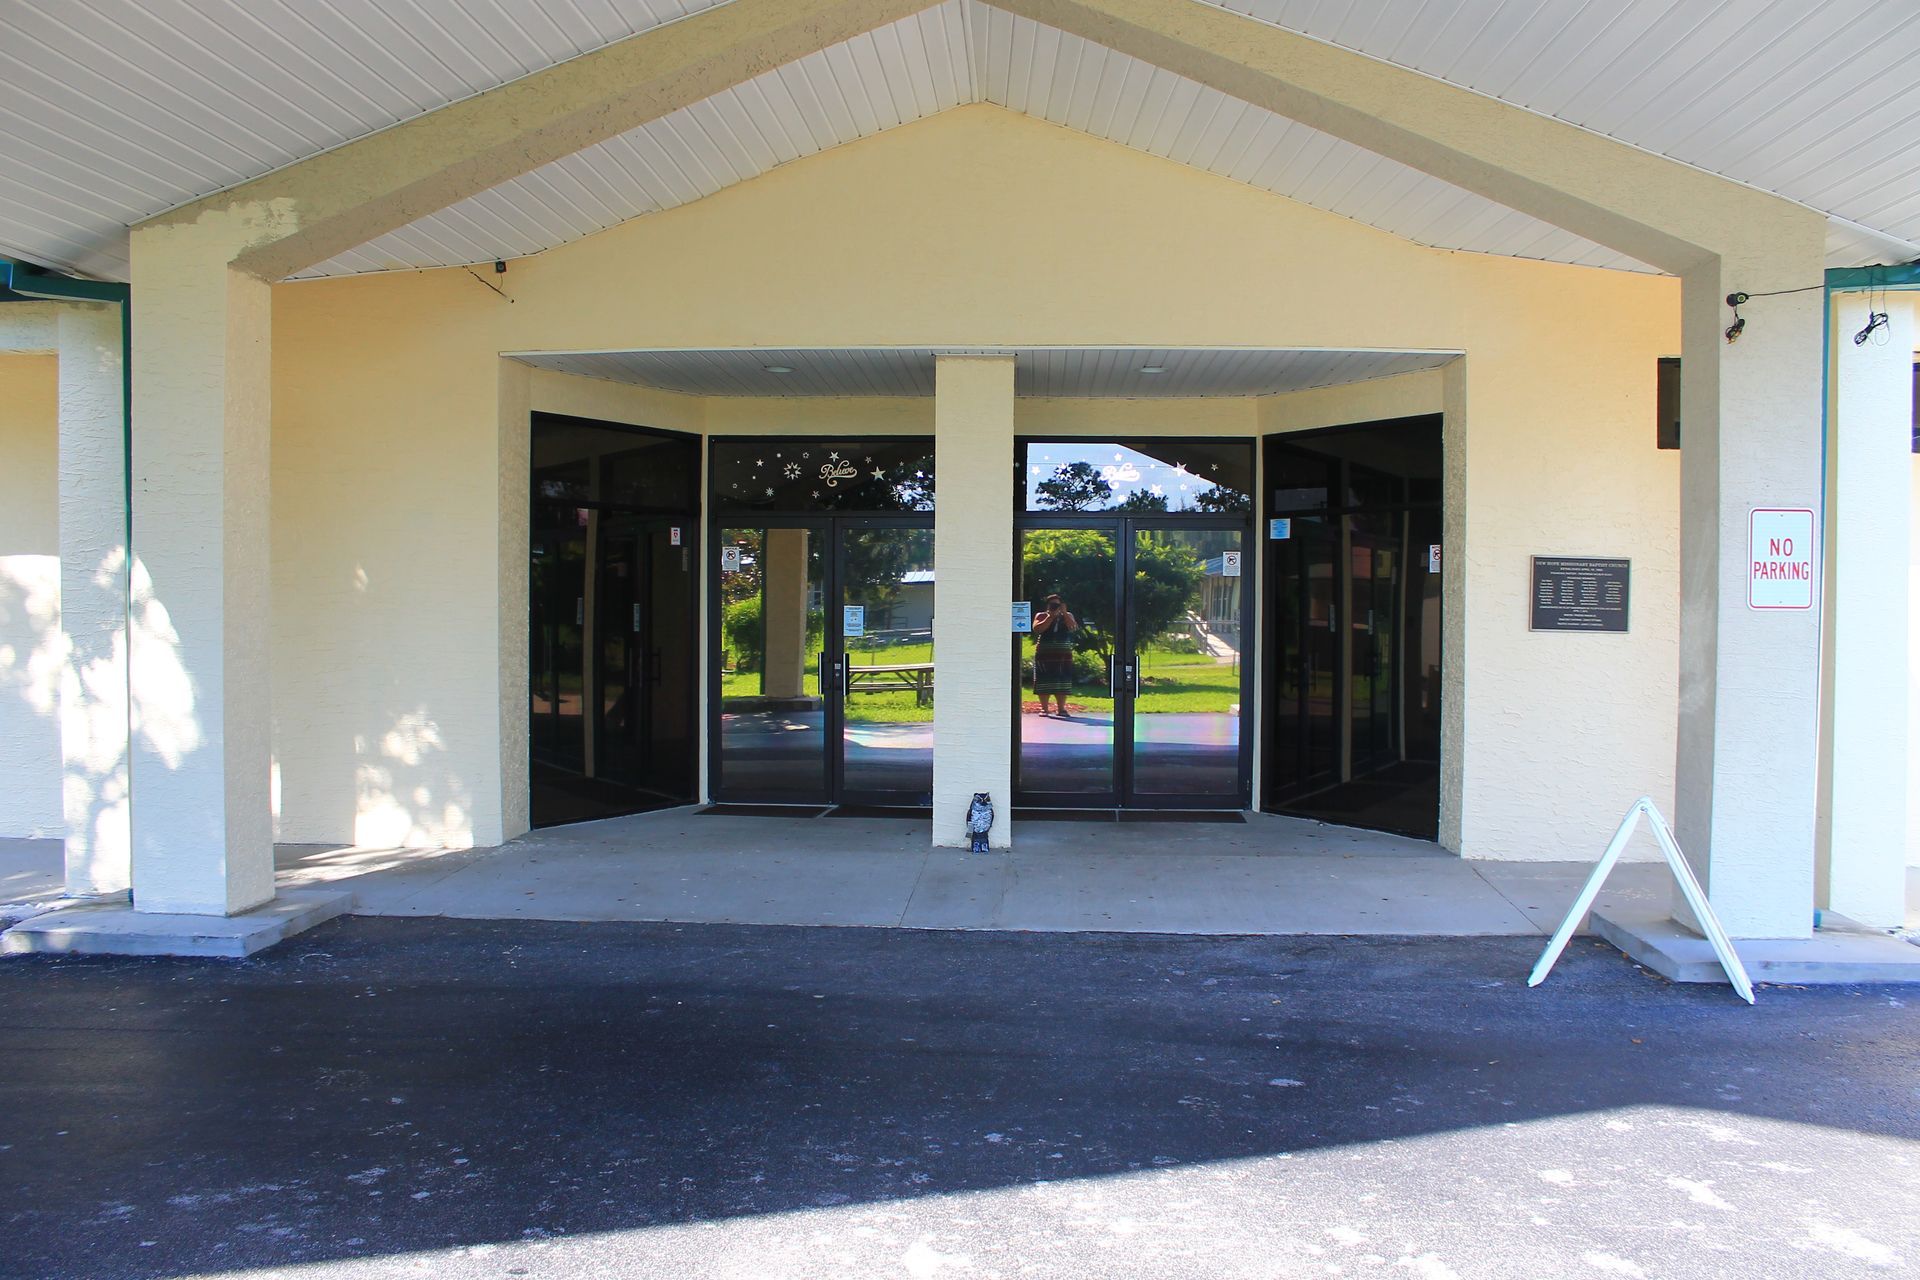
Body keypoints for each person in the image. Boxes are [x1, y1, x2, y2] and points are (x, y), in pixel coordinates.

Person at [1031, 592, 1078, 717]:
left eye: (1058, 604)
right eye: (1053, 604)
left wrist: (1064, 613)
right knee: (1043, 679)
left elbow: (1073, 627)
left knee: (1062, 679)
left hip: (1063, 653)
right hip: (1044, 652)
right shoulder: (1041, 615)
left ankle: (1061, 709)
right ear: (1047, 605)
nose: (1055, 607)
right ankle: (1044, 709)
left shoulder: (1067, 615)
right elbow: (1037, 629)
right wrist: (1050, 617)